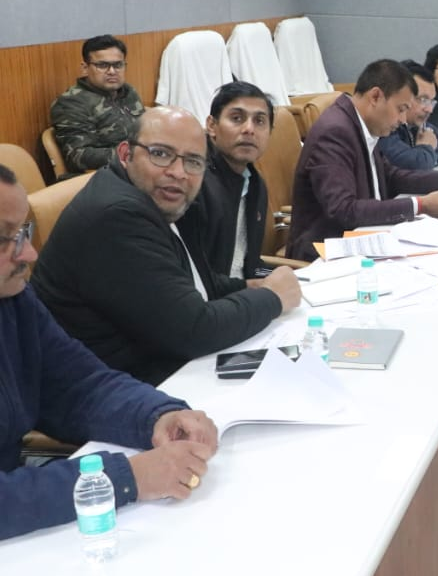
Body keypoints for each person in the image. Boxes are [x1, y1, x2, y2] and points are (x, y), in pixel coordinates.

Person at [0, 163, 221, 541]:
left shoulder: (14, 299)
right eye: (5, 239)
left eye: (24, 233)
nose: (29, 254)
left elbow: (80, 385)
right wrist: (126, 477)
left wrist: (158, 415)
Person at [31, 107, 302, 385]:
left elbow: (187, 284)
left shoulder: (157, 197)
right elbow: (193, 331)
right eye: (160, 154)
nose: (178, 172)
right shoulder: (117, 216)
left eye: (193, 161)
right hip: (114, 389)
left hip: (157, 368)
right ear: (125, 154)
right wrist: (272, 298)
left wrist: (247, 286)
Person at [288, 59, 438, 262]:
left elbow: (389, 176)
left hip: (367, 240)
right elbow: (344, 210)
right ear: (375, 96)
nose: (403, 120)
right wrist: (420, 205)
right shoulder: (335, 132)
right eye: (401, 109)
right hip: (327, 255)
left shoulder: (360, 123)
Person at [177, 81, 274, 280]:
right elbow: (194, 277)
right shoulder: (193, 183)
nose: (249, 129)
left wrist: (284, 277)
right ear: (212, 126)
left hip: (242, 291)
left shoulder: (255, 184)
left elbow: (249, 265)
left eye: (259, 121)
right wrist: (255, 288)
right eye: (237, 118)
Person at [50, 34, 144, 176]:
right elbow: (78, 156)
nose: (112, 71)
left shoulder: (128, 92)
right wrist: (135, 154)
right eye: (102, 65)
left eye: (118, 65)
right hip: (103, 176)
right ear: (85, 68)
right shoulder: (70, 103)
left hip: (139, 168)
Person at [375, 60, 438, 170]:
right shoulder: (385, 127)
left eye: (431, 101)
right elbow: (413, 163)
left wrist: (429, 157)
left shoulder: (416, 124)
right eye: (423, 100)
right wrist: (427, 149)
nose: (429, 109)